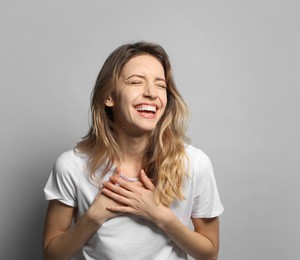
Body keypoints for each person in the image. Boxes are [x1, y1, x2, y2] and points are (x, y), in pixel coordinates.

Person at [43, 41, 224, 260]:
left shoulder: (194, 163)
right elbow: (52, 254)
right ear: (109, 96)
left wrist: (161, 216)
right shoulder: (71, 166)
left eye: (160, 85)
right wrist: (93, 217)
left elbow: (210, 253)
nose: (151, 93)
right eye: (136, 82)